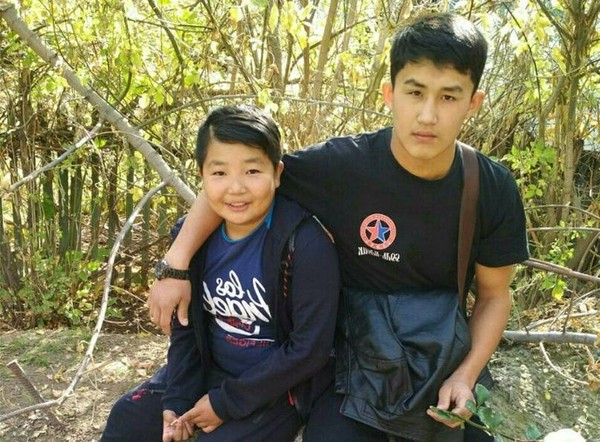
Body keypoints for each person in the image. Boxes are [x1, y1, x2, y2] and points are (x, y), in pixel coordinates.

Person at [147, 13, 529, 442]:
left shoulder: (489, 187)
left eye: (448, 97)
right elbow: (240, 186)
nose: (427, 115)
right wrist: (176, 264)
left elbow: (494, 295)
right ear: (389, 94)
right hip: (351, 362)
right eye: (415, 92)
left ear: (473, 103)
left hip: (438, 355)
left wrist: (465, 375)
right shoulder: (341, 166)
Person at [101, 105, 340, 442]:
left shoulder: (305, 244)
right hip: (210, 370)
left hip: (276, 388)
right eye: (219, 173)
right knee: (128, 417)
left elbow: (310, 350)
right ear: (201, 176)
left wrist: (225, 403)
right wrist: (177, 398)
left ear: (277, 173)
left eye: (252, 171)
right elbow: (187, 328)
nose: (236, 188)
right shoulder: (194, 240)